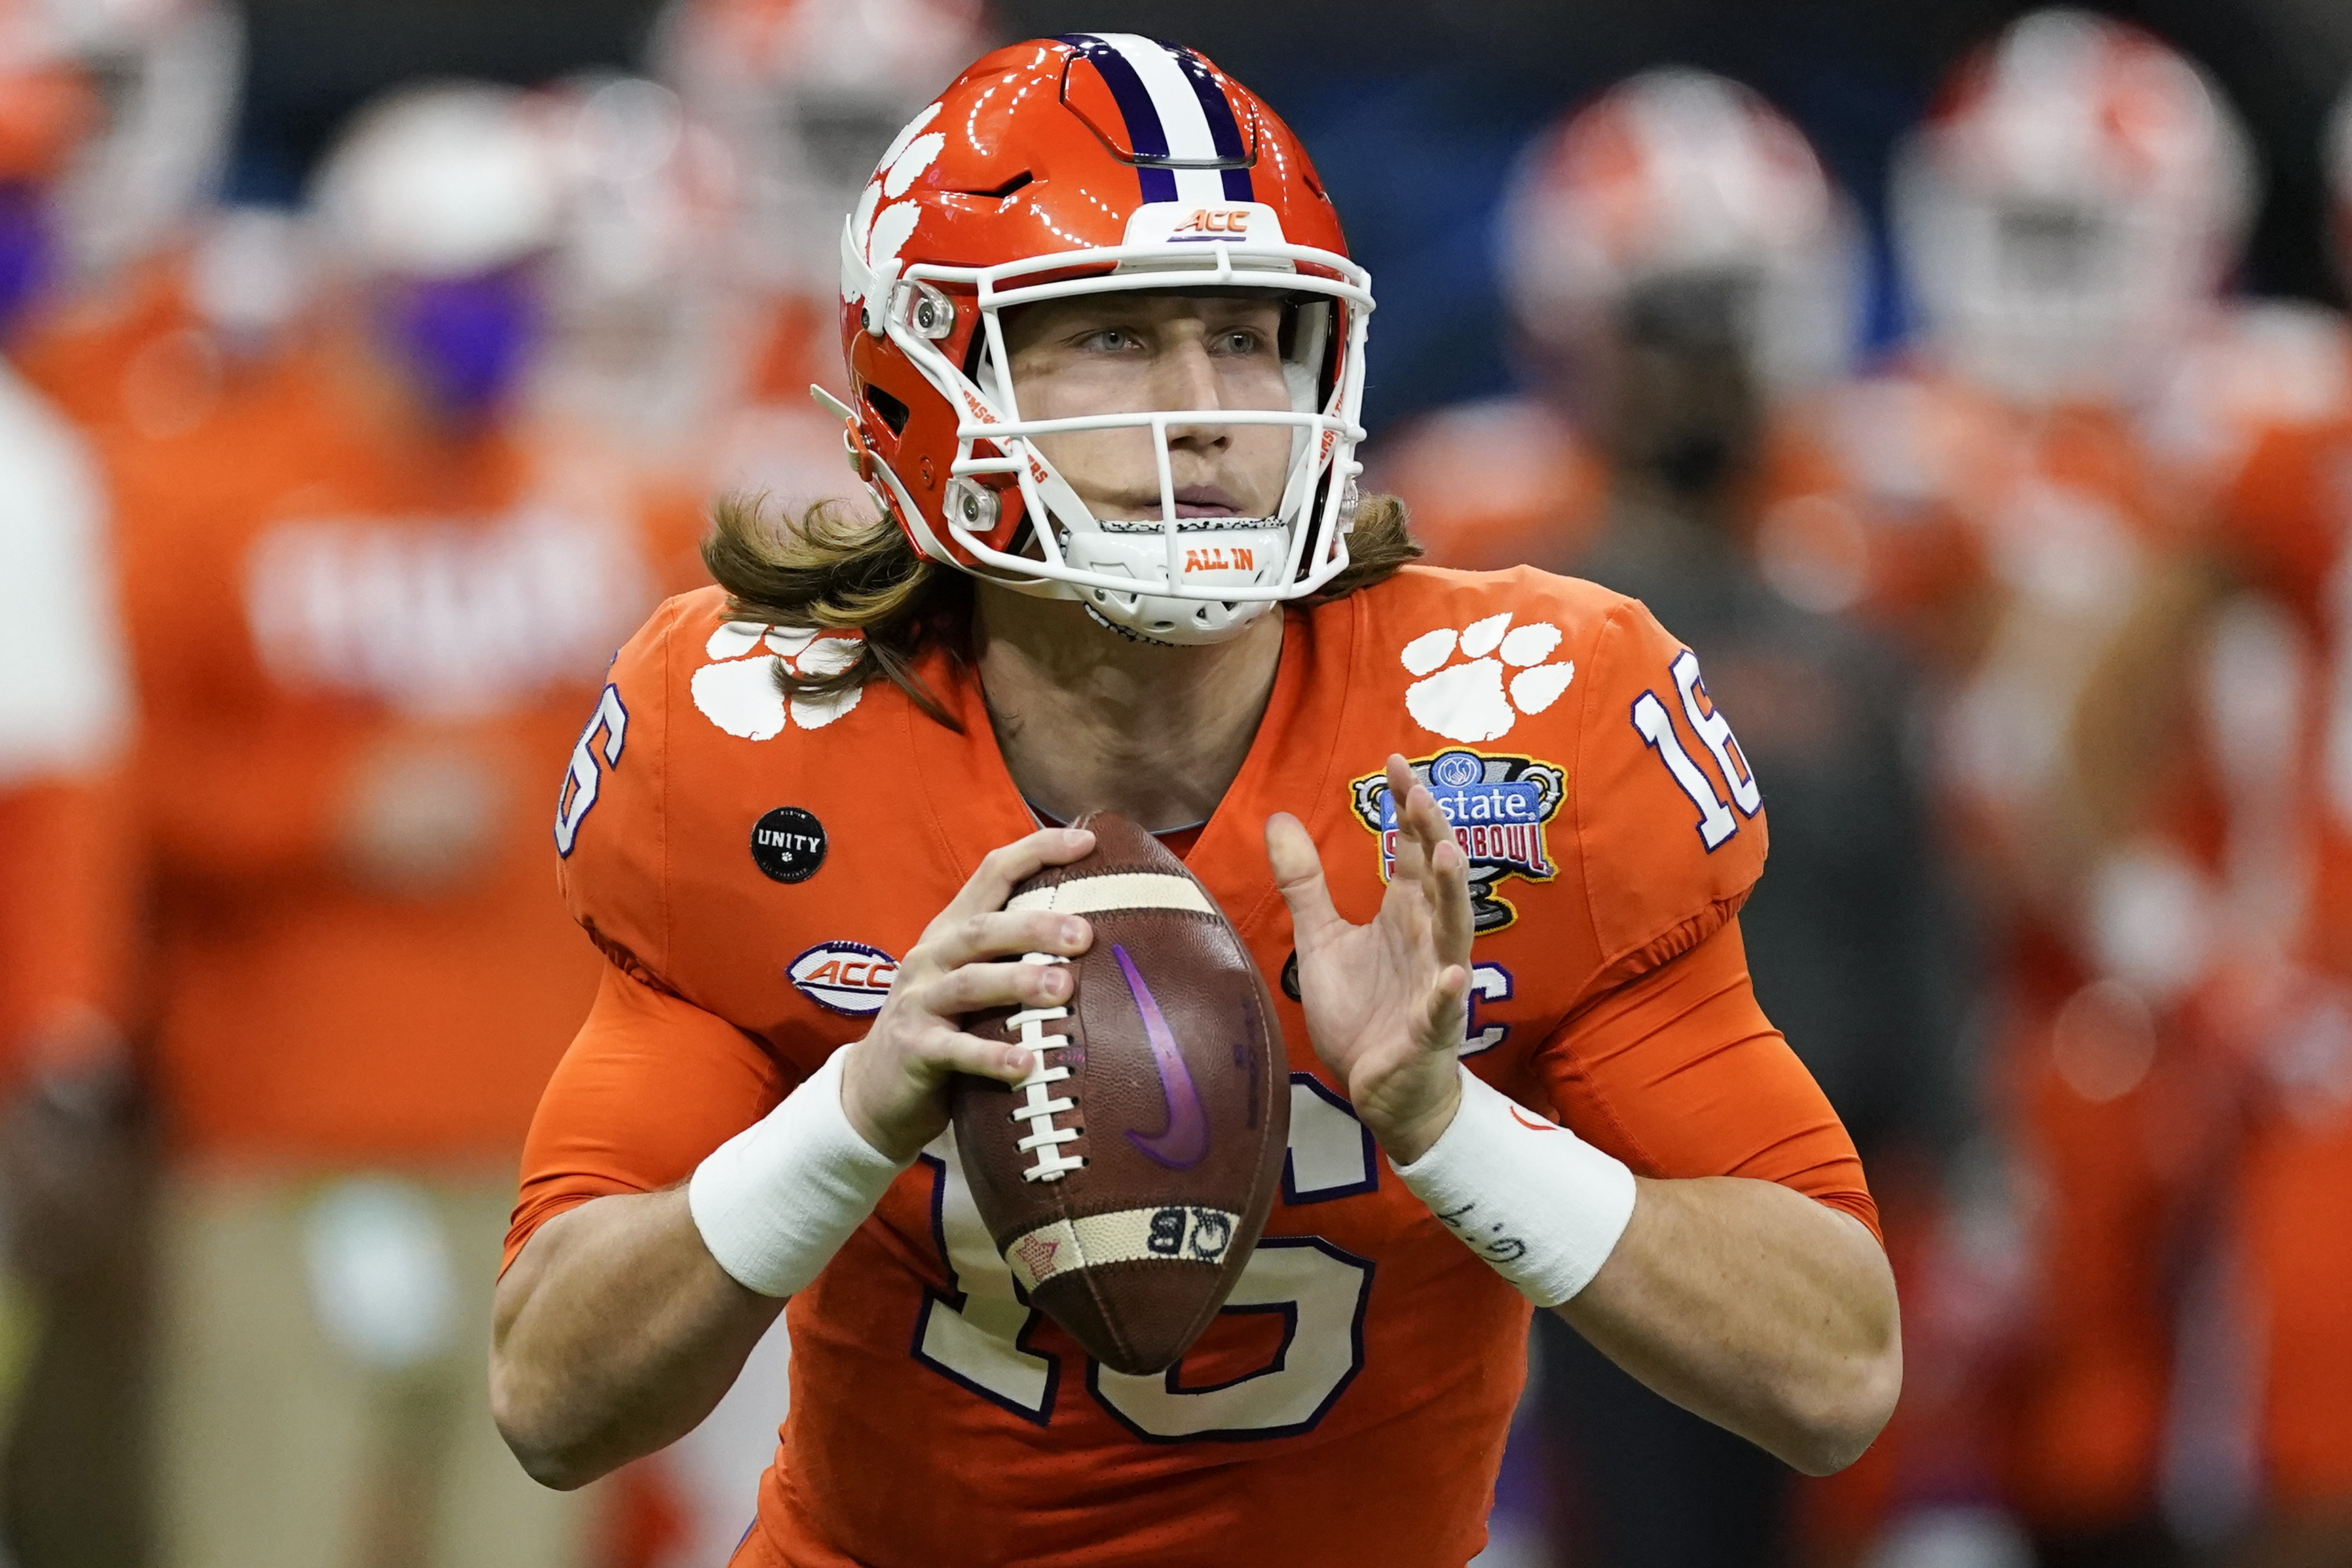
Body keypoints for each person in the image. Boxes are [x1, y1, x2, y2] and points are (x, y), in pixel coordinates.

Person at [491, 35, 1899, 1567]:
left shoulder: (1520, 726)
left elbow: (1832, 1369)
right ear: (924, 381)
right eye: (1111, 338)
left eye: (1246, 337)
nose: (1206, 408)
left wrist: (1448, 1127)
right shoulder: (762, 735)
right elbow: (553, 1400)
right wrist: (857, 1107)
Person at [112, 80, 706, 1568]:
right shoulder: (207, 491)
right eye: (470, 282)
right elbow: (113, 792)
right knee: (269, 1532)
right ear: (367, 279)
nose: (501, 314)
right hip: (278, 1145)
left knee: (513, 1542)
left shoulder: (603, 504)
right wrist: (320, 808)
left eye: (520, 280)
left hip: (548, 1150)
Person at [1398, 69, 1955, 1568]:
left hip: (1810, 1115)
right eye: (1663, 329)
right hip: (1554, 1134)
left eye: (1718, 329)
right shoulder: (1470, 547)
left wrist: (1966, 1146)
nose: (1696, 373)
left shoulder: (1876, 550)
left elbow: (1928, 886)